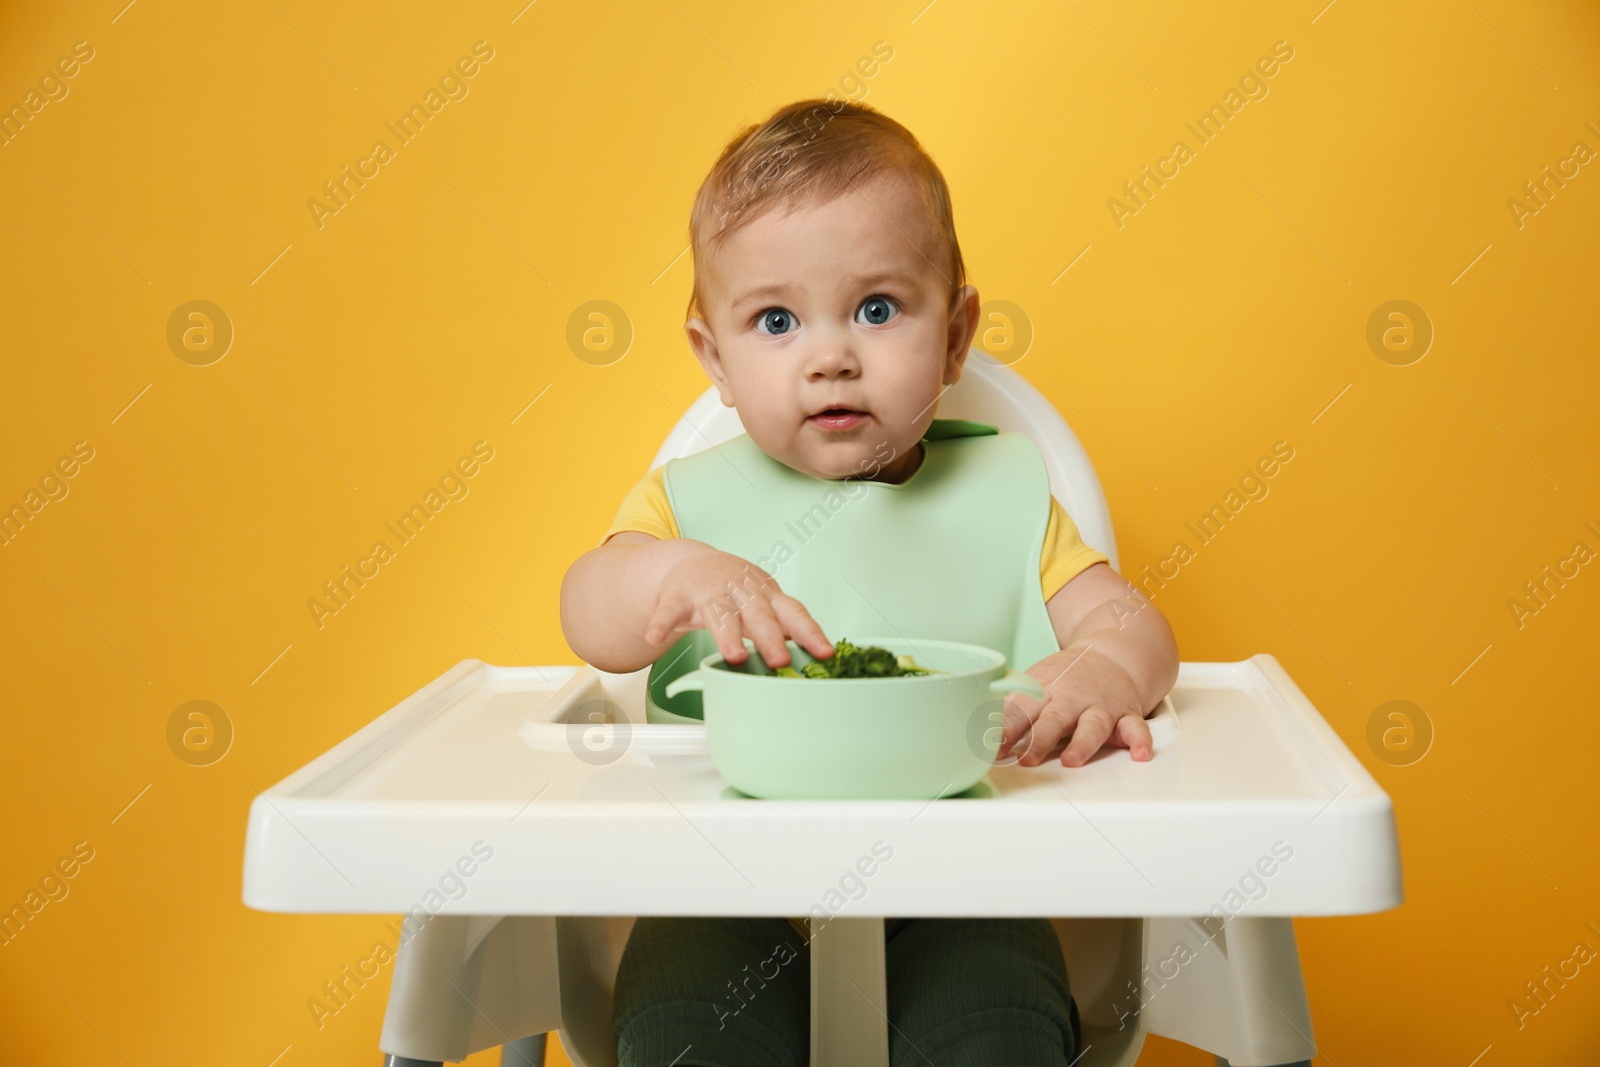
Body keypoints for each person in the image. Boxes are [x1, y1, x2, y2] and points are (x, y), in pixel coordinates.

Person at [560, 97, 1180, 1067]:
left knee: (998, 1026)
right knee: (684, 1027)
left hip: (960, 886)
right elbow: (589, 613)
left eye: (877, 308)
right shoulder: (683, 510)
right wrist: (672, 574)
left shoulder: (1008, 498)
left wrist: (1105, 668)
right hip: (722, 889)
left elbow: (1131, 624)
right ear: (714, 358)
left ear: (957, 333)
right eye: (774, 320)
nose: (830, 355)